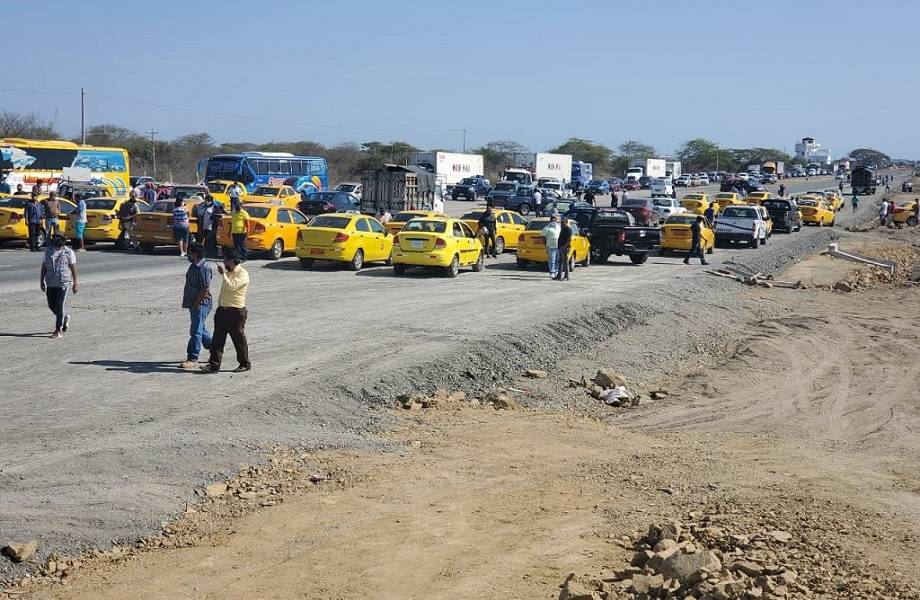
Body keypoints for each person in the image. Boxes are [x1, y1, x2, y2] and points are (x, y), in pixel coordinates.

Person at [201, 249, 251, 374]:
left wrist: (223, 274)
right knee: (217, 340)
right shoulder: (229, 272)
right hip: (223, 311)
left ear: (233, 261)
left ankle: (244, 363)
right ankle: (213, 366)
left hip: (236, 312)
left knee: (238, 340)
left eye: (226, 260)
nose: (224, 263)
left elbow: (231, 287)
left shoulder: (243, 274)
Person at [180, 243, 213, 370]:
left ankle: (193, 358)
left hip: (201, 304)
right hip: (193, 303)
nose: (188, 254)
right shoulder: (194, 266)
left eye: (190, 252)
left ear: (195, 254)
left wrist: (197, 304)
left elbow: (205, 289)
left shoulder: (204, 268)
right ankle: (215, 349)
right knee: (201, 329)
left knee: (195, 331)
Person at [40, 233, 78, 338]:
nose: (56, 239)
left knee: (60, 305)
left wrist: (75, 283)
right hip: (51, 282)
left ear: (64, 240)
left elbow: (73, 268)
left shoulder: (69, 252)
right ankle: (64, 317)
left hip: (63, 282)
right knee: (51, 305)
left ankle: (58, 330)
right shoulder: (48, 251)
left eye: (59, 238)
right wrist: (41, 281)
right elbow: (44, 266)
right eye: (54, 238)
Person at [540, 215, 561, 279]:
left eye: (554, 220)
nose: (553, 221)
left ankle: (556, 271)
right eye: (552, 220)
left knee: (557, 260)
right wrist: (545, 245)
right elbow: (543, 237)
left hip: (558, 246)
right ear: (550, 221)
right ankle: (552, 272)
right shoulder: (547, 228)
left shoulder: (558, 227)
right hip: (551, 246)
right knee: (552, 260)